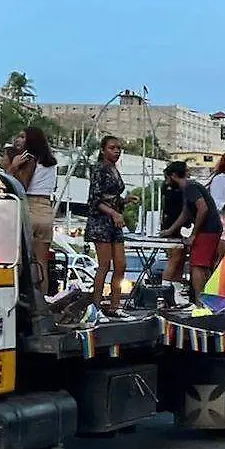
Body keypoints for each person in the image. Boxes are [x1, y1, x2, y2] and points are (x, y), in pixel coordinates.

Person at [86, 136, 135, 320]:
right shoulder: (99, 170)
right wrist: (114, 213)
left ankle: (115, 306)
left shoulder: (114, 169)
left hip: (115, 222)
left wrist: (124, 202)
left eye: (119, 148)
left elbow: (112, 198)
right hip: (101, 221)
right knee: (104, 265)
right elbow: (94, 200)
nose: (117, 151)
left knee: (121, 265)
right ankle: (96, 308)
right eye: (112, 148)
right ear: (103, 150)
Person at [160, 162, 223, 299]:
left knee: (198, 266)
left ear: (173, 175)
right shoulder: (188, 188)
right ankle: (200, 298)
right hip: (211, 229)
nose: (167, 183)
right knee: (203, 265)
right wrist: (170, 230)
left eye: (167, 178)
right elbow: (186, 213)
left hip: (207, 230)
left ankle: (200, 300)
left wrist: (194, 234)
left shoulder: (190, 187)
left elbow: (203, 208)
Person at [6, 126, 57, 294]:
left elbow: (22, 185)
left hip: (29, 208)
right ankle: (42, 301)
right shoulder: (50, 161)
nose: (18, 140)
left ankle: (19, 299)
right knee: (42, 263)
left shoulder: (29, 158)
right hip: (46, 211)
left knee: (19, 261)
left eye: (22, 137)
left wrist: (12, 169)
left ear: (31, 140)